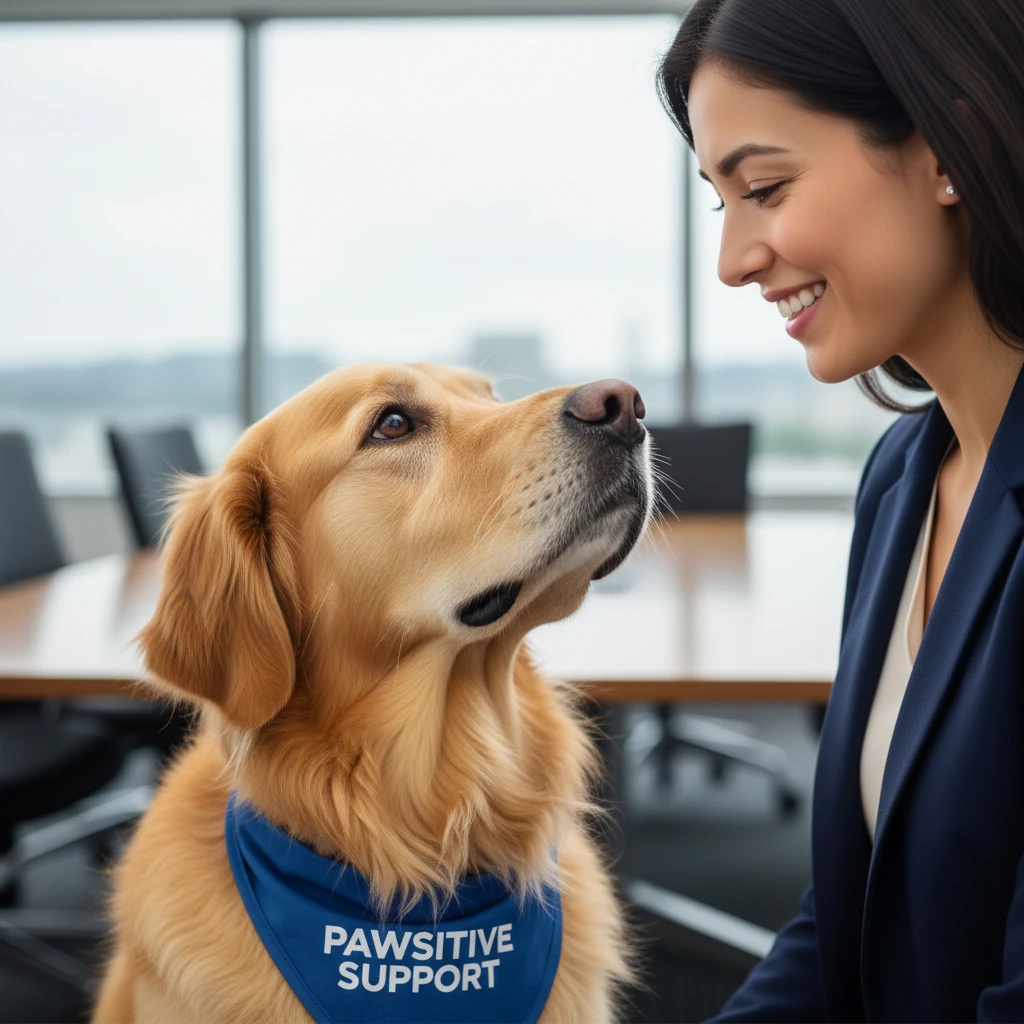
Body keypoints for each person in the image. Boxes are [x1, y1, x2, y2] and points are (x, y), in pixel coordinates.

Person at [656, 0, 1024, 1019]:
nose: (732, 259)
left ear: (948, 146)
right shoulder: (905, 476)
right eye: (719, 203)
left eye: (764, 188)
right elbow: (851, 919)